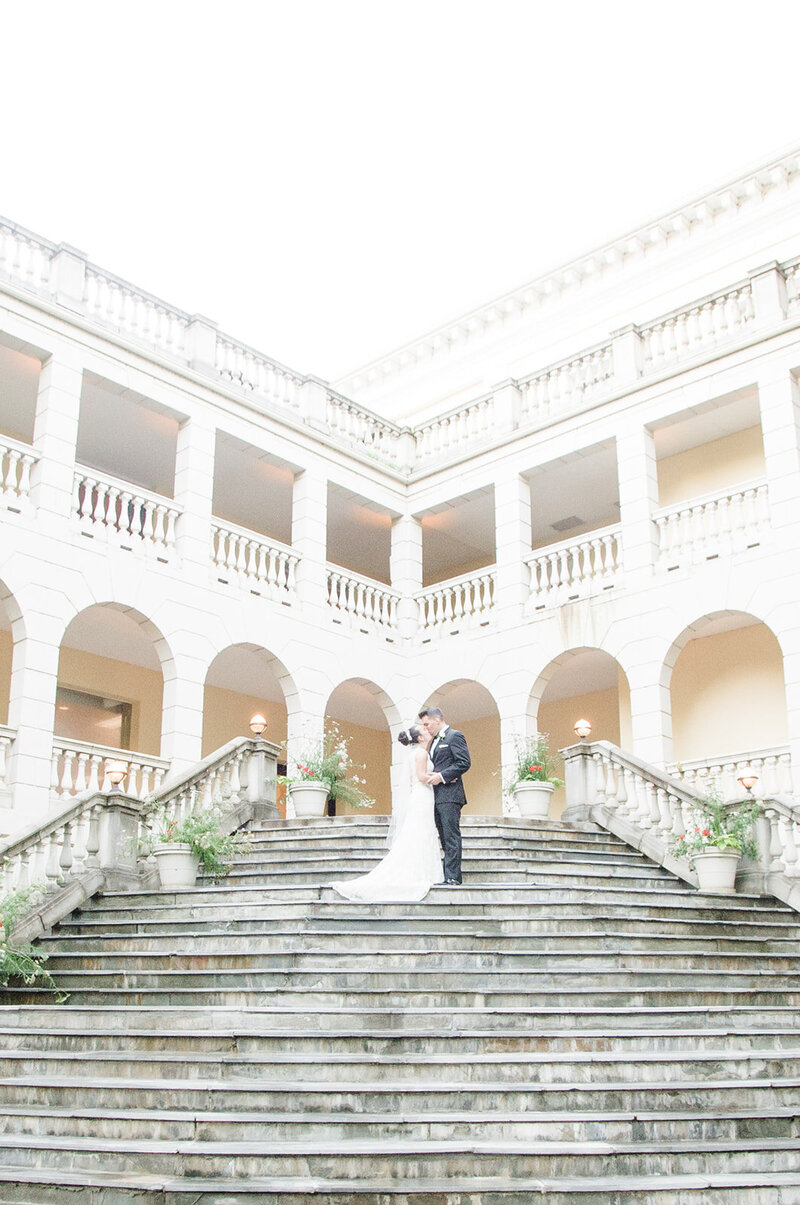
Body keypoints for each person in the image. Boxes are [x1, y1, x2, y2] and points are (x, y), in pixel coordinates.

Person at [329, 726, 444, 902]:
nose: (428, 732)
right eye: (424, 731)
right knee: (421, 832)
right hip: (423, 795)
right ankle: (422, 872)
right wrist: (441, 777)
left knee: (421, 832)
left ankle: (425, 870)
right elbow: (421, 777)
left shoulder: (415, 754)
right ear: (420, 738)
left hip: (421, 795)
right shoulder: (421, 754)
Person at [418, 706, 470, 885]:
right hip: (435, 797)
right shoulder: (432, 742)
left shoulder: (455, 736)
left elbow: (464, 762)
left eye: (427, 724)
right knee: (443, 835)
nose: (426, 729)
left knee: (451, 835)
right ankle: (448, 875)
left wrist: (442, 777)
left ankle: (453, 877)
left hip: (450, 795)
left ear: (437, 720)